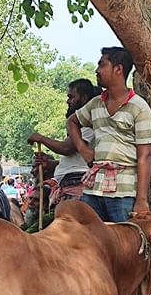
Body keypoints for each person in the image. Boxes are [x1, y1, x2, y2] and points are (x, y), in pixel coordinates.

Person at [65, 46, 151, 295]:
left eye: (102, 65)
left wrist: (142, 199)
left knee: (135, 252)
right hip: (94, 186)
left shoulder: (139, 107)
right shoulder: (96, 103)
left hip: (124, 188)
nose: (97, 70)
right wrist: (83, 149)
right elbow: (73, 121)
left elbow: (145, 156)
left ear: (118, 69)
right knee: (85, 246)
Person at [27, 78, 99, 208]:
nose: (68, 101)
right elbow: (74, 159)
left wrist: (41, 138)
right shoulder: (80, 127)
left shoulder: (89, 125)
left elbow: (67, 148)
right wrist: (50, 163)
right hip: (67, 184)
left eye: (71, 97)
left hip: (77, 184)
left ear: (83, 98)